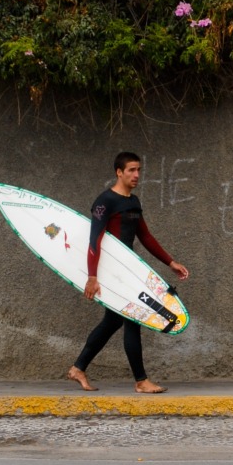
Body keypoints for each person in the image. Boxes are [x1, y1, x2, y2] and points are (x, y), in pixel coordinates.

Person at [68, 151, 189, 393]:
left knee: (112, 322)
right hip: (112, 272)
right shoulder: (105, 202)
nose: (136, 175)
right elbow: (94, 241)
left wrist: (170, 262)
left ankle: (78, 368)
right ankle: (141, 381)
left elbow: (144, 236)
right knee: (134, 318)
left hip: (127, 269)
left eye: (139, 170)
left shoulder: (133, 202)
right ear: (119, 172)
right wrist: (92, 277)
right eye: (131, 170)